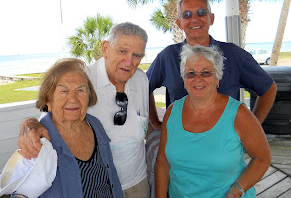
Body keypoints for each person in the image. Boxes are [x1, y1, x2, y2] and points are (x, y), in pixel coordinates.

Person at [17, 22, 150, 198]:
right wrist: (30, 125)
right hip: (96, 186)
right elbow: (52, 112)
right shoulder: (83, 78)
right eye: (122, 51)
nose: (128, 61)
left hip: (137, 182)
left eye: (136, 55)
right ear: (105, 48)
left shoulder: (141, 79)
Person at [146, 0, 277, 129]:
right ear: (179, 23)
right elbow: (143, 88)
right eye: (187, 15)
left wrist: (251, 127)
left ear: (211, 18)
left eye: (201, 12)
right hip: (179, 144)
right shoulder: (167, 56)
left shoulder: (234, 54)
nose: (194, 19)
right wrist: (155, 124)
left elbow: (268, 88)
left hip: (225, 145)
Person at [156, 44, 271, 198]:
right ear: (184, 79)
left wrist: (237, 190)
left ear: (217, 78)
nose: (198, 79)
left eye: (206, 73)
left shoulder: (239, 114)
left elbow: (262, 158)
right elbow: (163, 162)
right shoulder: (172, 112)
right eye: (191, 73)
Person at [10, 58, 123, 197]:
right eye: (64, 91)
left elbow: (111, 178)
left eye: (80, 90)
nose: (73, 98)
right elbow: (20, 193)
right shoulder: (38, 140)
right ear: (48, 100)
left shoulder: (95, 125)